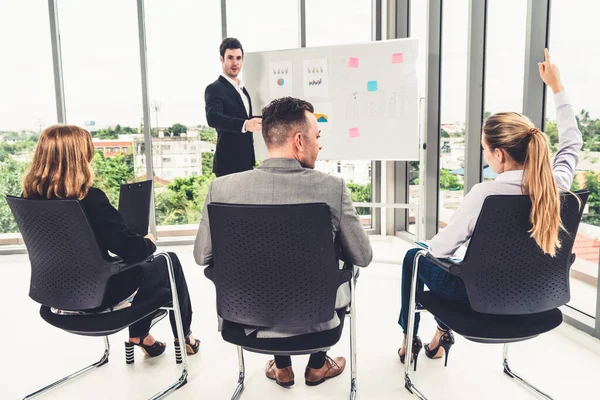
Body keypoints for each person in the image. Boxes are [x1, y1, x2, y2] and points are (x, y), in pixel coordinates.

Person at [397, 49, 582, 368]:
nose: (485, 157)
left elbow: (440, 250)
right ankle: (438, 338)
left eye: (485, 150)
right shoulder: (559, 186)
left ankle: (406, 340)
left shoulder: (486, 193)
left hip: (480, 300)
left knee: (416, 256)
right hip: (537, 297)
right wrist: (557, 86)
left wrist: (444, 250)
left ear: (499, 154)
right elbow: (572, 143)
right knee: (456, 263)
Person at [194, 97, 373, 387]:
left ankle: (282, 367)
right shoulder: (332, 188)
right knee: (347, 269)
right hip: (319, 324)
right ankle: (317, 365)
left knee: (269, 266)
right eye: (317, 137)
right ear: (299, 141)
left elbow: (202, 256)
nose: (320, 144)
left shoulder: (222, 188)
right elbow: (363, 256)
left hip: (244, 322)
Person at [22, 124, 200, 359]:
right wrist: (148, 242)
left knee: (148, 272)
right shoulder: (90, 198)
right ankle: (184, 337)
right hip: (98, 296)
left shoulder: (28, 200)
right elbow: (132, 251)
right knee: (168, 261)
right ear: (79, 157)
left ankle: (142, 337)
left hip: (55, 296)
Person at [205, 37, 262, 177]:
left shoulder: (242, 90)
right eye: (230, 58)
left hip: (246, 162)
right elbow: (213, 118)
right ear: (221, 59)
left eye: (238, 58)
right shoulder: (214, 88)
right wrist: (245, 124)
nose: (235, 62)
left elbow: (242, 117)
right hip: (228, 164)